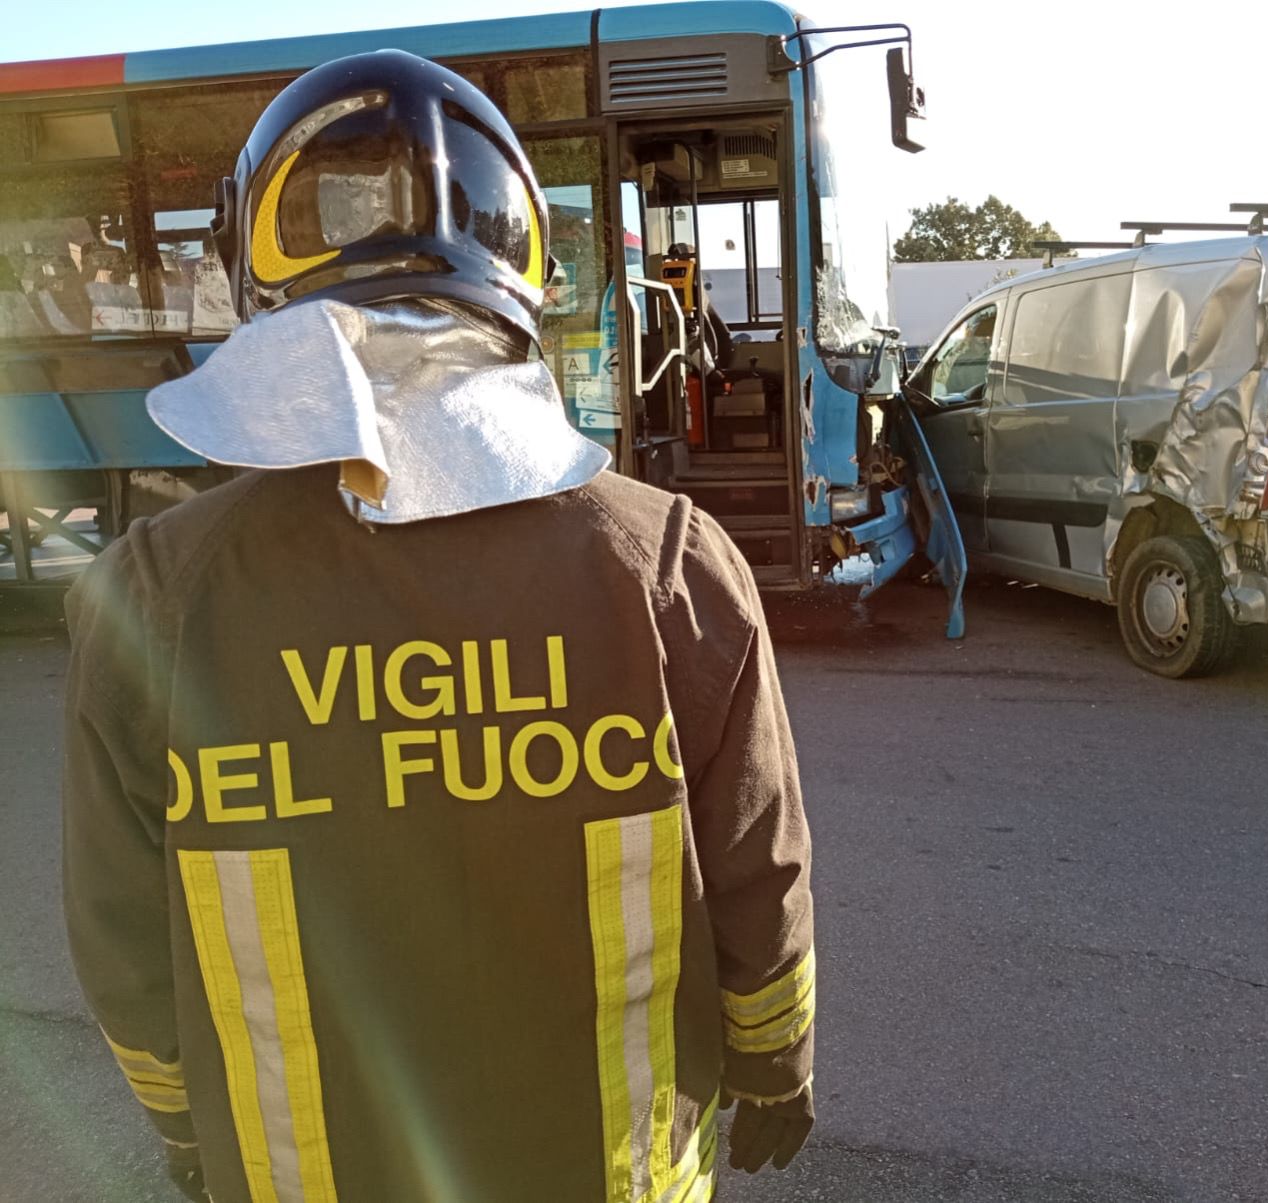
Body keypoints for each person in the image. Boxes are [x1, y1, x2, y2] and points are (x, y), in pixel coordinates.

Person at [61, 49, 814, 1203]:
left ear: (248, 267)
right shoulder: (666, 563)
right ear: (523, 272)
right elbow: (756, 859)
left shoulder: (150, 594)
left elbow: (120, 936)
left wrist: (183, 1122)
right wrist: (773, 1061)